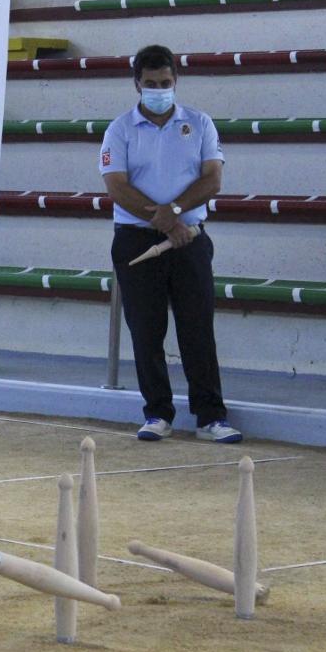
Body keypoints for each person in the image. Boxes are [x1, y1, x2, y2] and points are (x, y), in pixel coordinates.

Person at [99, 44, 242, 444]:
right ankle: (157, 412)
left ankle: (211, 416)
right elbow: (116, 186)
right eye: (150, 84)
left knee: (198, 328)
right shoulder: (119, 130)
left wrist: (176, 213)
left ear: (176, 81)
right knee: (146, 330)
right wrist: (162, 220)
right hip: (135, 240)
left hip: (190, 239)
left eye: (165, 83)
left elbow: (213, 179)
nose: (158, 89)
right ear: (136, 85)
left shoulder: (200, 124)